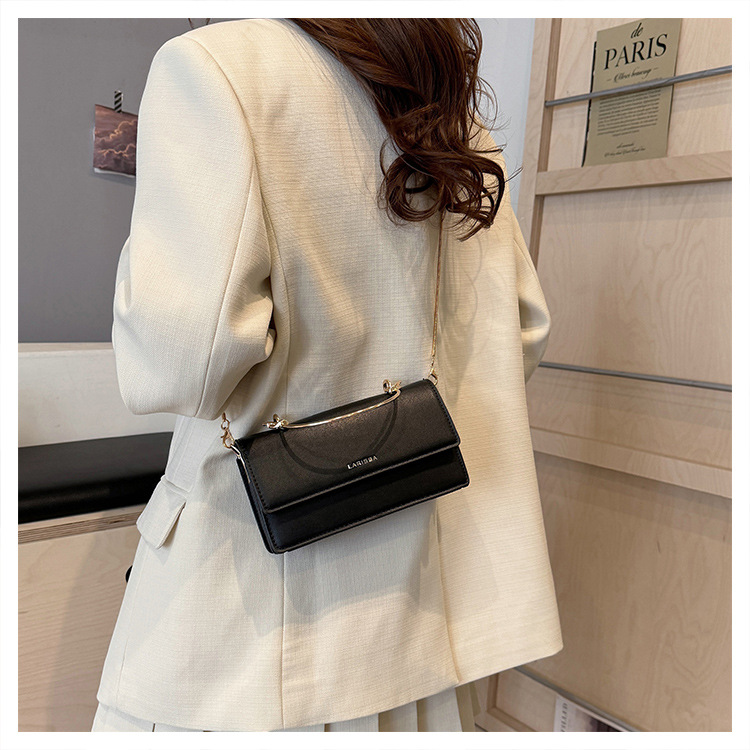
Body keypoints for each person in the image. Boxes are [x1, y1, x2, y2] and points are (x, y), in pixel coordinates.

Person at [91, 17, 563, 732]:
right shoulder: (446, 110)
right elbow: (521, 330)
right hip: (423, 618)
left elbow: (175, 366)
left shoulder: (214, 67)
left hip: (248, 632)